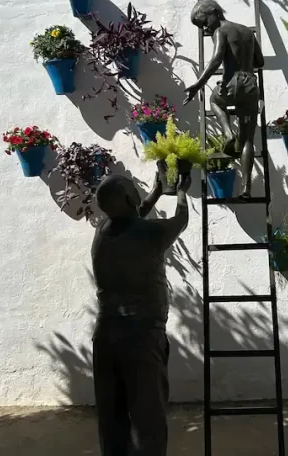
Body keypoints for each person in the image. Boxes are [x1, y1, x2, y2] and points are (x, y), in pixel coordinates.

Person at [91, 170, 191, 456]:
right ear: (127, 197)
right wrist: (182, 190)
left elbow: (132, 216)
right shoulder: (152, 234)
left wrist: (157, 191)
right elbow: (180, 221)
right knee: (148, 418)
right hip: (142, 338)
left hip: (106, 337)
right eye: (133, 190)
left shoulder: (102, 231)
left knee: (112, 418)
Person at [183, 0, 264, 198]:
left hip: (232, 83)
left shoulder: (221, 31)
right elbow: (260, 61)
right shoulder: (246, 31)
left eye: (203, 23)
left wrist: (197, 85)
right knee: (247, 140)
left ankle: (228, 133)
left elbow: (216, 59)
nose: (205, 29)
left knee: (214, 101)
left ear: (214, 12)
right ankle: (246, 187)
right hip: (251, 85)